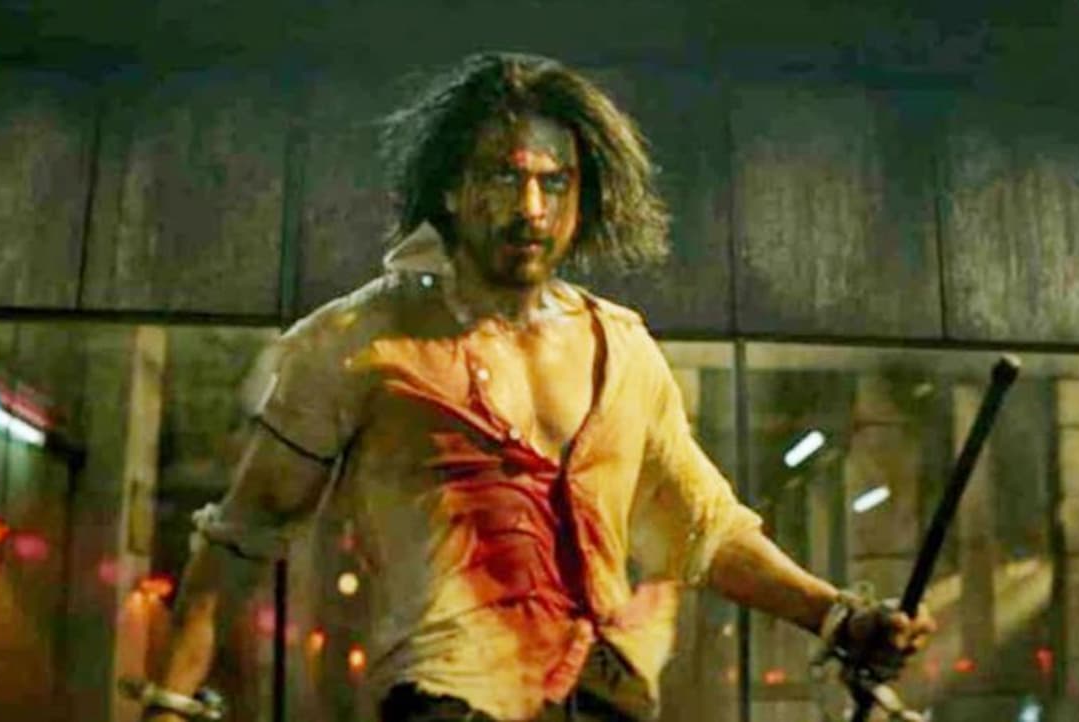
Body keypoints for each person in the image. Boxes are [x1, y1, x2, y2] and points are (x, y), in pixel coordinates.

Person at [144, 52, 936, 722]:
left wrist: (838, 616)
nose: (530, 208)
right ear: (450, 188)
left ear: (583, 196)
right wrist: (170, 704)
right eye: (502, 176)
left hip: (605, 696)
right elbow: (244, 533)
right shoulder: (358, 343)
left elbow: (707, 526)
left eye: (554, 183)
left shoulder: (622, 349)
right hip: (448, 699)